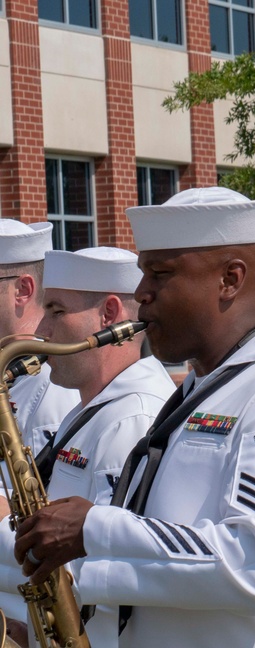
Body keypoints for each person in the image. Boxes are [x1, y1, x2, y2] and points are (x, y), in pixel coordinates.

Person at [11, 187, 255, 648]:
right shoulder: (205, 388)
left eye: (160, 274)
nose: (142, 293)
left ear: (230, 279)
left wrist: (95, 529)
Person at [0, 246, 175, 646]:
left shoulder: (134, 418)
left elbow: (104, 564)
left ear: (109, 315)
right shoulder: (93, 408)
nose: (42, 329)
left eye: (57, 311)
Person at [0, 220, 80, 628]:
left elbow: (52, 530)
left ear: (24, 290)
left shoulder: (58, 385)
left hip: (32, 618)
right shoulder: (10, 374)